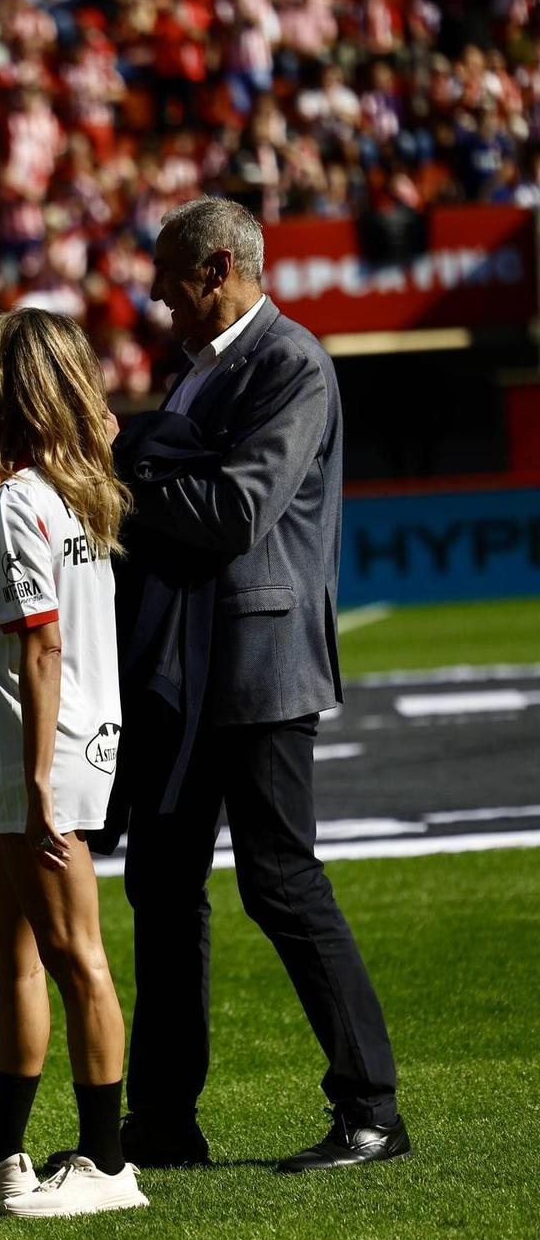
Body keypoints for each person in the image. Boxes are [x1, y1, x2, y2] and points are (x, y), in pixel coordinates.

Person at [126, 197, 406, 1173]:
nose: (152, 291)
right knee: (159, 885)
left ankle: (369, 1108)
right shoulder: (201, 371)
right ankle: (160, 1117)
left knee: (279, 883)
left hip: (256, 672)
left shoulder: (289, 363)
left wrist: (127, 478)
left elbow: (237, 510)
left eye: (166, 272)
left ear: (214, 267)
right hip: (185, 670)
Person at [0, 308, 147, 1217]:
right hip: (49, 748)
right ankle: (3, 1151)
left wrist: (39, 780)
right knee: (10, 947)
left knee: (73, 953)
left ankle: (105, 1161)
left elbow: (41, 647)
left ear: (3, 394)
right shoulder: (65, 488)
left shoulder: (22, 502)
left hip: (39, 754)